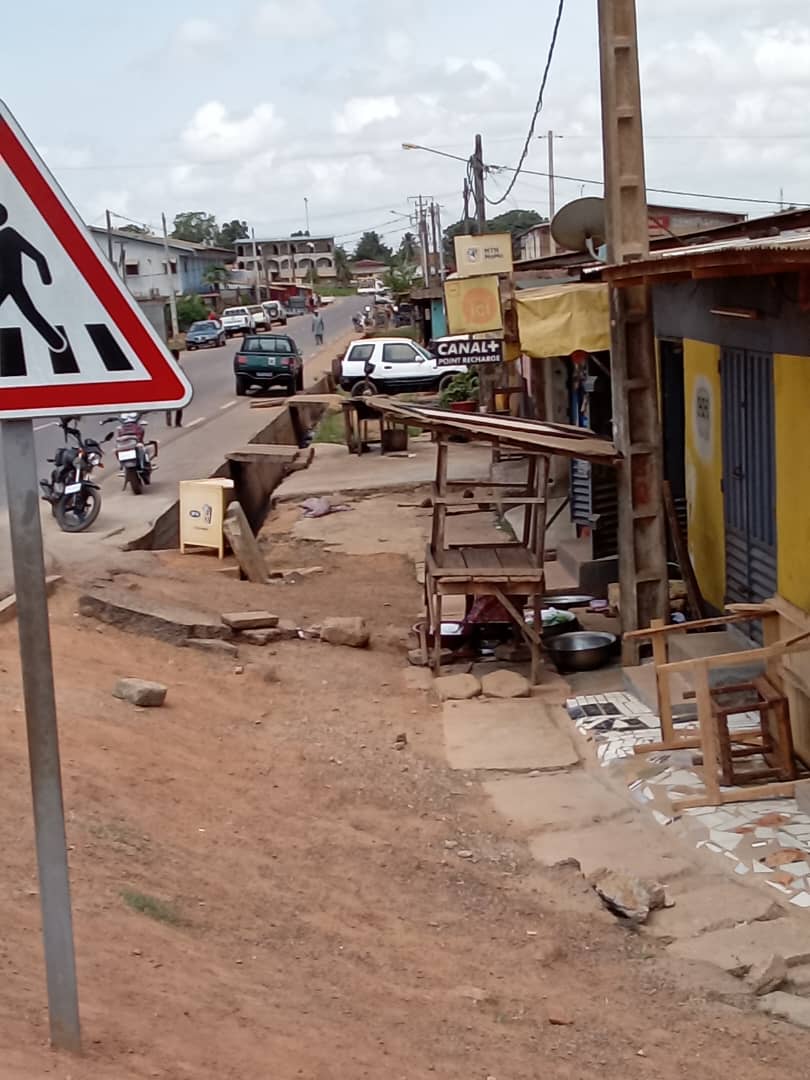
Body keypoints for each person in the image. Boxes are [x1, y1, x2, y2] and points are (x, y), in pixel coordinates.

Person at [166, 347, 184, 427]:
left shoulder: (168, 365)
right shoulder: (178, 366)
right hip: (176, 387)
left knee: (169, 404)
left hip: (169, 387)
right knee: (180, 405)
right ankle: (177, 422)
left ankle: (169, 418)